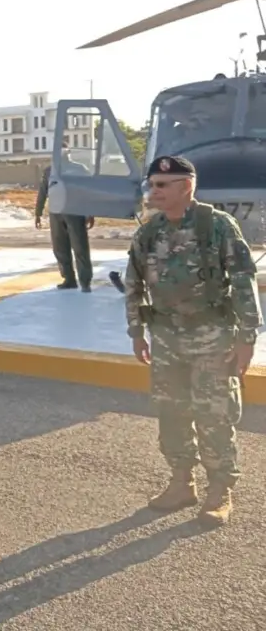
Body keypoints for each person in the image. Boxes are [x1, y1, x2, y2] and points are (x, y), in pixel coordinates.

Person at [124, 155, 262, 528]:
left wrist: (247, 337)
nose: (154, 192)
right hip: (167, 338)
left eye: (162, 185)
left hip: (212, 336)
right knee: (171, 411)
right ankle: (181, 482)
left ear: (186, 186)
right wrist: (137, 331)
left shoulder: (216, 226)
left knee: (214, 413)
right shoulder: (148, 232)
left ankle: (220, 489)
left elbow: (243, 279)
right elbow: (133, 284)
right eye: (151, 185)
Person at [35, 145, 96, 292]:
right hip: (56, 213)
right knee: (60, 248)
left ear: (68, 152)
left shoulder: (79, 169)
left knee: (80, 247)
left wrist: (91, 212)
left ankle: (85, 281)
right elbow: (43, 192)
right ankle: (69, 279)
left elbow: (88, 192)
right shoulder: (50, 171)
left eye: (64, 150)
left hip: (75, 212)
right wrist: (38, 213)